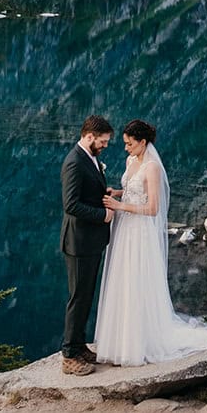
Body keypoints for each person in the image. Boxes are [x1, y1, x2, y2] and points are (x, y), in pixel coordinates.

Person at [93, 119, 207, 366]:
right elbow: (133, 190)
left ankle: (139, 342)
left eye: (129, 143)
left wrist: (119, 205)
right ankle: (121, 340)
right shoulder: (131, 161)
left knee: (138, 282)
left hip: (139, 231)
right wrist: (118, 193)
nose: (125, 148)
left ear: (143, 142)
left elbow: (152, 208)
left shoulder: (152, 168)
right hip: (125, 228)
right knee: (124, 279)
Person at [61, 115, 114, 375]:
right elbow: (71, 205)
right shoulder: (74, 162)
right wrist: (102, 215)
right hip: (79, 242)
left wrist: (106, 194)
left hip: (90, 242)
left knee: (85, 296)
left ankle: (80, 346)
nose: (105, 146)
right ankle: (69, 355)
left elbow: (88, 192)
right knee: (78, 297)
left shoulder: (89, 158)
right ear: (89, 136)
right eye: (103, 141)